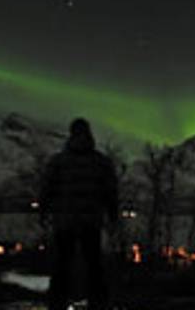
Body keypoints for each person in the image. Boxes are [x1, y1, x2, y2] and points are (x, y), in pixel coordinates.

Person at [40, 117, 118, 310]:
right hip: (91, 221)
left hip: (64, 221)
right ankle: (98, 303)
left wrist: (43, 212)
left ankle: (57, 303)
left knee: (62, 265)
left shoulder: (58, 162)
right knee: (94, 265)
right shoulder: (101, 162)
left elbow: (47, 189)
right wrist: (113, 216)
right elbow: (110, 192)